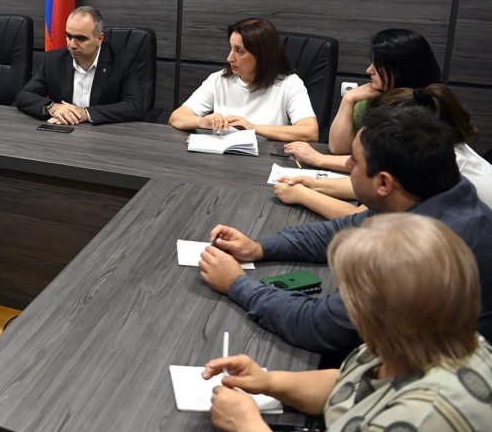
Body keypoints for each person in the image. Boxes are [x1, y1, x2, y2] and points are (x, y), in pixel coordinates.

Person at [202, 213, 492, 432]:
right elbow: (349, 383)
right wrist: (269, 382)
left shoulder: (419, 422)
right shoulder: (430, 335)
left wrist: (249, 428)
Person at [197, 106, 492, 357]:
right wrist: (260, 248)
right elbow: (342, 230)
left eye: (355, 161)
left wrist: (236, 284)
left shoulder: (423, 248)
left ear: (384, 183)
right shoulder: (432, 193)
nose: (347, 165)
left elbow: (319, 326)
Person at [275, 84, 492, 217]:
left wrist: (302, 195)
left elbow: (359, 220)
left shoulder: (435, 164)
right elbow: (371, 187)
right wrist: (314, 183)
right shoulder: (441, 145)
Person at [286, 28, 441, 170]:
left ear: (402, 69)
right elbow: (338, 148)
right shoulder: (372, 95)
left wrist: (319, 159)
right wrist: (348, 99)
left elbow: (380, 164)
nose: (369, 70)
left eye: (378, 65)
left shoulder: (426, 107)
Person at [168, 18, 318, 141]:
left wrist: (253, 127)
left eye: (239, 51)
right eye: (231, 48)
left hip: (264, 160)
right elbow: (176, 118)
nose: (230, 58)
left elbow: (310, 132)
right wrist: (202, 121)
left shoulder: (289, 84)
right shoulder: (218, 80)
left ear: (262, 55)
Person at [15, 6, 144, 125]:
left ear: (99, 39)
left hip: (105, 134)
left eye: (81, 38)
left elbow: (135, 106)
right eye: (68, 36)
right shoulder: (53, 60)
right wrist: (52, 107)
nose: (72, 45)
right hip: (62, 131)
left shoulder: (122, 62)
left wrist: (86, 113)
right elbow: (24, 96)